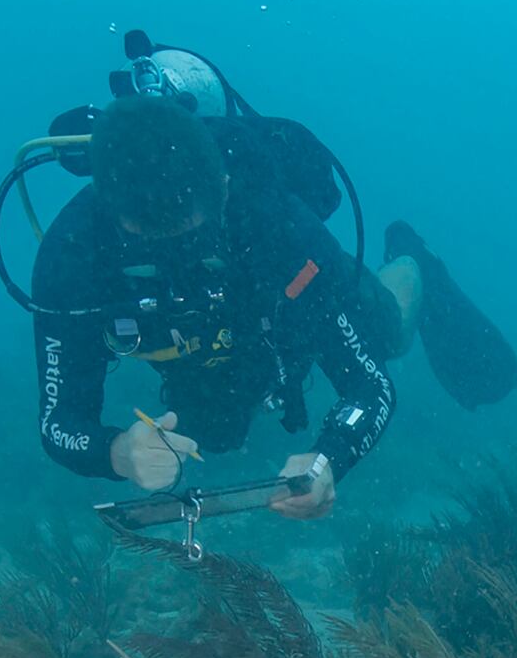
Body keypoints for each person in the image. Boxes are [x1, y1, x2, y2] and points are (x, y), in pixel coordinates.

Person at [28, 92, 417, 520]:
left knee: (391, 332)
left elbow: (370, 386)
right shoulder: (73, 254)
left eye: (188, 236)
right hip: (192, 352)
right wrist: (117, 452)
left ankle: (412, 259)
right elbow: (59, 421)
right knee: (216, 433)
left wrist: (330, 459)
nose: (177, 262)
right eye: (149, 240)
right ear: (111, 212)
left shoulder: (277, 225)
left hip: (278, 312)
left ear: (224, 188)